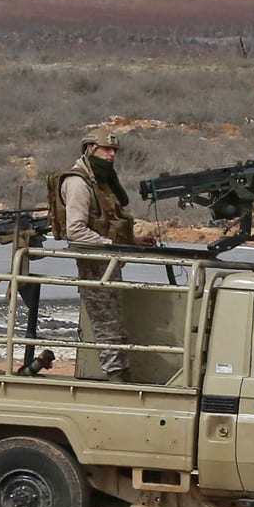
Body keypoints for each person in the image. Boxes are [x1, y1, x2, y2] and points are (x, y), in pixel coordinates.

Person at [49, 131, 154, 384]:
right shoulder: (78, 183)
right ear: (90, 148)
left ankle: (122, 375)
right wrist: (109, 246)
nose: (112, 154)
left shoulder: (100, 182)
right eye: (106, 149)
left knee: (115, 323)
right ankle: (116, 377)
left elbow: (108, 223)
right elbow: (75, 231)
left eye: (114, 150)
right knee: (106, 324)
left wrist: (131, 243)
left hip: (107, 260)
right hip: (93, 262)